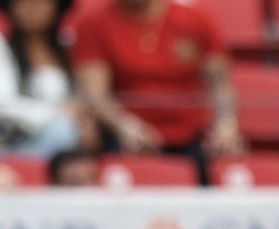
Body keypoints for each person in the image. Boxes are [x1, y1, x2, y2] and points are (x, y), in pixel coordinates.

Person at [72, 0, 243, 184]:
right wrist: (124, 125)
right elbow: (96, 94)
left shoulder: (195, 19)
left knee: (225, 161)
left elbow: (220, 84)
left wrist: (226, 124)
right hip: (127, 139)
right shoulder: (95, 23)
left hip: (191, 137)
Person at [0, 0, 86, 158]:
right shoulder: (3, 47)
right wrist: (56, 113)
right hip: (15, 142)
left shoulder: (68, 46)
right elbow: (4, 104)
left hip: (69, 143)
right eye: (23, 2)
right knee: (62, 129)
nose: (31, 9)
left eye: (41, 3)